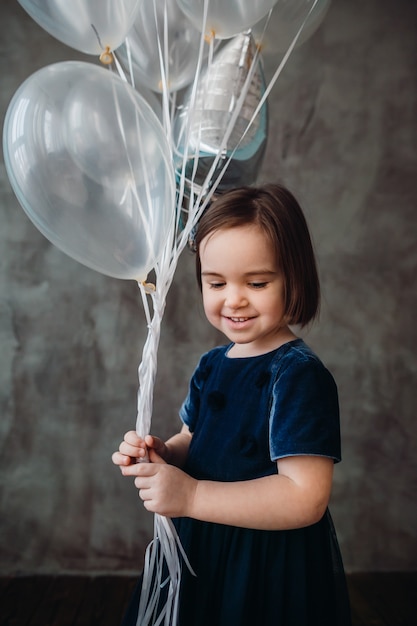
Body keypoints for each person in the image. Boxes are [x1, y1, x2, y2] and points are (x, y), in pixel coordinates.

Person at [112, 183, 352, 626]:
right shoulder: (212, 364)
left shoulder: (297, 374)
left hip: (265, 565)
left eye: (257, 282)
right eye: (216, 282)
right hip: (202, 547)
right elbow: (195, 439)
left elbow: (305, 496)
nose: (234, 298)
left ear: (294, 278)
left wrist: (193, 495)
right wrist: (164, 453)